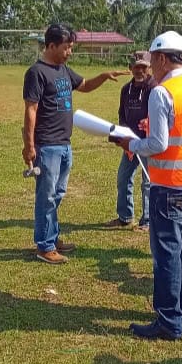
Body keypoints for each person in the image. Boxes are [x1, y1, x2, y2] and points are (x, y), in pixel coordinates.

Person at [117, 32, 182, 341]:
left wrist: (130, 141)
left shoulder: (162, 93)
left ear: (160, 59)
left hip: (170, 185)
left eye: (152, 61)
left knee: (167, 253)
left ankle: (169, 320)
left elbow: (158, 144)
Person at [23, 23, 128, 264]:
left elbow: (84, 86)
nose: (70, 52)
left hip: (64, 144)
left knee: (57, 193)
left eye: (71, 47)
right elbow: (31, 109)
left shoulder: (63, 70)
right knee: (46, 196)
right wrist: (29, 145)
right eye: (66, 47)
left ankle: (52, 235)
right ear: (51, 46)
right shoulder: (37, 72)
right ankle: (45, 246)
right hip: (47, 145)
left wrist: (102, 76)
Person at [105, 51, 155, 231]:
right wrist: (124, 140)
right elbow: (122, 115)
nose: (139, 70)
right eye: (136, 67)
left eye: (143, 67)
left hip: (150, 142)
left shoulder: (156, 88)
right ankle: (125, 216)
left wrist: (150, 125)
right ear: (130, 68)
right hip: (130, 143)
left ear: (149, 68)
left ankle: (148, 220)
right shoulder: (125, 89)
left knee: (148, 182)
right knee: (123, 177)